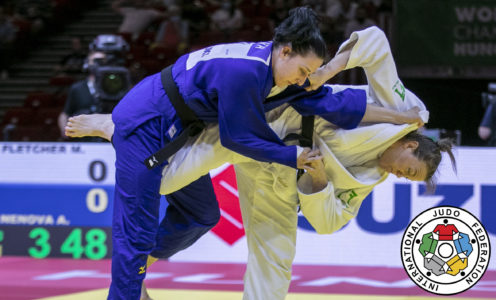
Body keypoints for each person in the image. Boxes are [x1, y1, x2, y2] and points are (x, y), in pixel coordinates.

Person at [67, 24, 428, 299]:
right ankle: (117, 127)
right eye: (410, 170)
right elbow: (374, 42)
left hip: (274, 160)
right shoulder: (405, 110)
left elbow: (328, 219)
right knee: (150, 193)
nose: (400, 176)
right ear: (411, 144)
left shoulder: (371, 175)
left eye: (408, 180)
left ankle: (142, 261)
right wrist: (327, 75)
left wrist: (316, 181)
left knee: (255, 248)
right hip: (241, 123)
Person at [57, 50, 106, 140]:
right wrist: (65, 132)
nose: (98, 64)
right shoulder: (77, 88)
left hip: (106, 140)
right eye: (95, 61)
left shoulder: (117, 88)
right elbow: (65, 113)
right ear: (87, 64)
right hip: (83, 139)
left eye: (102, 61)